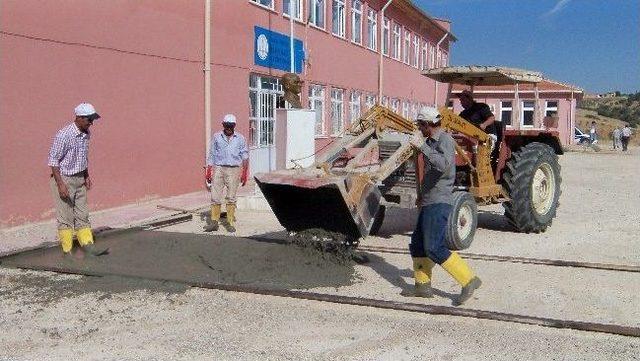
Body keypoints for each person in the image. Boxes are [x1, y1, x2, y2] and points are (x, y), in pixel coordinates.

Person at [405, 106, 482, 306]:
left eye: (421, 125)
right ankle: (422, 286)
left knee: (434, 247)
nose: (419, 128)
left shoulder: (445, 140)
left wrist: (422, 147)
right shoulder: (430, 141)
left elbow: (443, 165)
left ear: (429, 124)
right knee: (418, 244)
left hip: (440, 201)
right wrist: (421, 195)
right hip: (429, 199)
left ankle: (469, 280)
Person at [47, 103, 107, 258]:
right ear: (79, 117)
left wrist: (86, 175)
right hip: (64, 178)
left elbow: (83, 157)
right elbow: (53, 161)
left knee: (82, 214)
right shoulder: (64, 135)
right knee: (65, 217)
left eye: (92, 119)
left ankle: (87, 245)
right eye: (89, 119)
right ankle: (67, 251)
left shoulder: (86, 133)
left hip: (79, 178)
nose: (91, 123)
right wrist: (60, 184)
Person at [204, 114, 249, 233]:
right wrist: (208, 169)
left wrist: (245, 172)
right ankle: (214, 222)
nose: (229, 128)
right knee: (215, 196)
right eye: (226, 125)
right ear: (223, 125)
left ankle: (229, 222)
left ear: (234, 126)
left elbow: (244, 155)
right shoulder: (217, 137)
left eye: (231, 126)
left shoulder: (240, 138)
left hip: (234, 169)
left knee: (231, 197)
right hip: (219, 168)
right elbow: (212, 153)